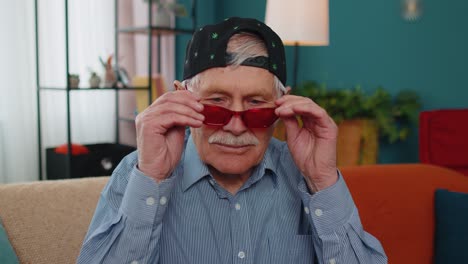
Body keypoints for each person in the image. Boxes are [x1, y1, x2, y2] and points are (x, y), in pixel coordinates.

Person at [78, 17, 387, 264]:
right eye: (216, 104)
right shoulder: (137, 172)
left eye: (256, 105)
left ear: (282, 106)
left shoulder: (306, 176)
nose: (237, 126)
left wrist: (322, 180)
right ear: (181, 99)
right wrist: (152, 178)